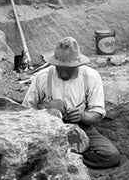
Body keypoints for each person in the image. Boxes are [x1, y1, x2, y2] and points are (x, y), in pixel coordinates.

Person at [22, 36, 121, 169]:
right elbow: (26, 110)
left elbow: (97, 113)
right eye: (60, 67)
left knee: (111, 156)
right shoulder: (42, 77)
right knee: (56, 105)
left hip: (80, 127)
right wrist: (48, 113)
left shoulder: (91, 77)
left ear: (78, 64)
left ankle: (69, 157)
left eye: (68, 69)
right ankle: (61, 154)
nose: (63, 72)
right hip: (49, 128)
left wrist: (83, 116)